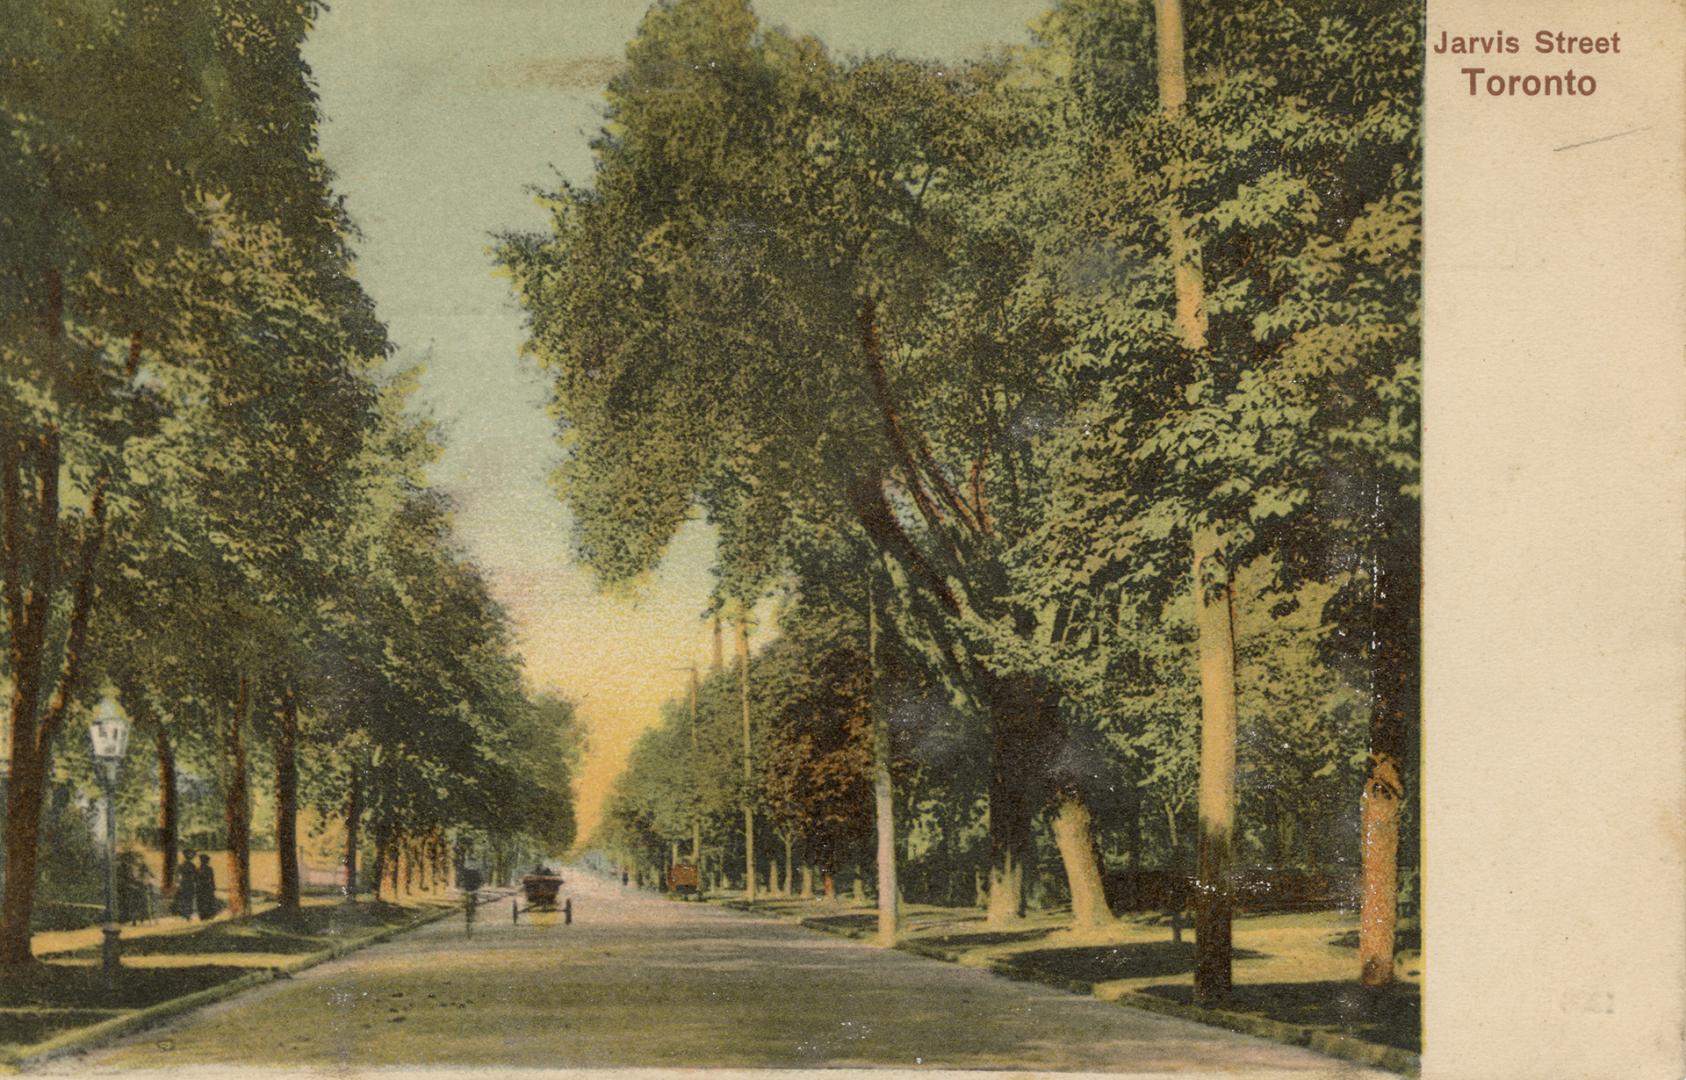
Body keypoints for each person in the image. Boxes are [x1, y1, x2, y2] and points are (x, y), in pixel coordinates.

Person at [174, 849, 198, 919]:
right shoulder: (191, 865)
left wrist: (177, 882)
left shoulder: (183, 865)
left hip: (184, 883)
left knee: (185, 898)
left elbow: (176, 874)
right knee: (188, 898)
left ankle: (185, 914)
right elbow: (196, 875)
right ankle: (187, 914)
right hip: (189, 883)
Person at [195, 852, 218, 921]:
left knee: (205, 902)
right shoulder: (203, 869)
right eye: (205, 860)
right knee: (205, 902)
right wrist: (213, 886)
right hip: (205, 887)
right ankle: (205, 916)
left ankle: (205, 916)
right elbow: (211, 879)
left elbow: (212, 879)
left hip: (204, 888)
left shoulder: (200, 869)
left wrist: (213, 886)